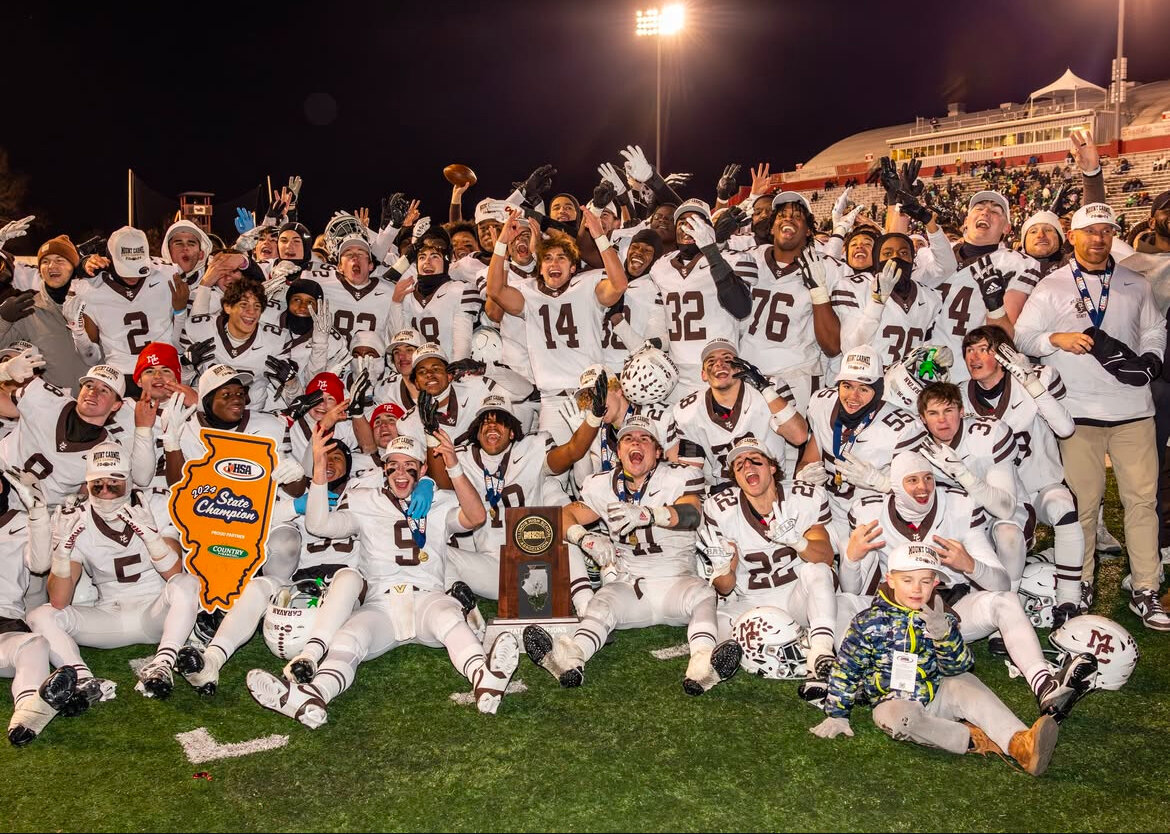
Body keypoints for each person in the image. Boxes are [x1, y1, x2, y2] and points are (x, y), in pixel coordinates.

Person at [246, 429, 520, 725]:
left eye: (409, 465)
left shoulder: (438, 500)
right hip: (381, 604)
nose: (400, 472)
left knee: (446, 616)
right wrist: (318, 474)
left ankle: (484, 675)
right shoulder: (364, 499)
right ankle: (313, 695)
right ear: (383, 467)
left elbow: (476, 517)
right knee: (350, 637)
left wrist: (453, 466)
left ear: (423, 469)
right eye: (394, 464)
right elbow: (319, 524)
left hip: (426, 596)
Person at [842, 452, 1098, 723]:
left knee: (1005, 602)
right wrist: (851, 558)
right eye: (912, 480)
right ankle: (845, 674)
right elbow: (853, 589)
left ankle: (1045, 685)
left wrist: (971, 565)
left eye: (928, 478)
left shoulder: (958, 506)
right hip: (890, 626)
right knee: (842, 603)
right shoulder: (869, 512)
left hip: (949, 616)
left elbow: (1001, 583)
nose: (923, 487)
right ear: (894, 484)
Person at [1015, 202, 1169, 630]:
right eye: (1090, 231)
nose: (1099, 238)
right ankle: (1078, 582)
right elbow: (1023, 336)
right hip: (1076, 412)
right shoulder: (1052, 284)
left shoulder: (1135, 282)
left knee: (1141, 503)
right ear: (1074, 235)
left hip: (1133, 410)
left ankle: (1145, 587)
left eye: (1106, 230)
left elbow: (1155, 328)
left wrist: (1153, 357)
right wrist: (1055, 338)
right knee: (1083, 506)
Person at [523, 416, 742, 695]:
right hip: (632, 585)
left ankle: (703, 665)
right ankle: (569, 659)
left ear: (658, 452)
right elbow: (565, 515)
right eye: (628, 438)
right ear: (618, 451)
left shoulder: (679, 476)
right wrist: (584, 537)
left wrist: (650, 514)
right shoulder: (601, 485)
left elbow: (692, 513)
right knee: (601, 602)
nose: (635, 443)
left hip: (677, 581)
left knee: (704, 595)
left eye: (644, 439)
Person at [811, 543, 1061, 777]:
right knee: (900, 721)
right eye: (907, 580)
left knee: (965, 682)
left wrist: (945, 636)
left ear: (935, 583)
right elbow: (846, 670)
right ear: (891, 580)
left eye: (925, 581)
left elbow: (960, 666)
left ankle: (1021, 743)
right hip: (894, 701)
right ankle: (974, 739)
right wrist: (837, 713)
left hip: (938, 690)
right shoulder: (867, 622)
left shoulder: (942, 617)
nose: (917, 589)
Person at [26, 442, 201, 700]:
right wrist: (62, 554)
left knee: (187, 583)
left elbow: (175, 572)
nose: (105, 491)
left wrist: (153, 539)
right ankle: (83, 679)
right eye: (97, 484)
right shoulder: (75, 518)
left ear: (129, 481)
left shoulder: (154, 503)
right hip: (110, 614)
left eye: (114, 482)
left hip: (157, 612)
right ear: (86, 484)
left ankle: (163, 663)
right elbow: (59, 601)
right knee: (41, 615)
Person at [959, 326, 1082, 617]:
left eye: (983, 349)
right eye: (969, 350)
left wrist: (1031, 384)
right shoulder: (960, 393)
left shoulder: (1038, 378)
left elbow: (1066, 429)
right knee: (1006, 538)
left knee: (1063, 507)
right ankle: (1004, 608)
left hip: (1039, 485)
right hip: (997, 496)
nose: (974, 357)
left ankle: (1069, 600)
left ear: (1003, 354)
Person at [438, 392, 603, 610]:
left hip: (539, 558)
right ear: (476, 433)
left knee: (562, 533)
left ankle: (587, 608)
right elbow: (440, 482)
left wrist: (594, 418)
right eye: (485, 423)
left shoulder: (533, 448)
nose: (492, 427)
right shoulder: (463, 458)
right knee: (438, 551)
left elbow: (573, 451)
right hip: (493, 567)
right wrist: (432, 435)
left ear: (513, 432)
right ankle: (467, 615)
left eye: (500, 422)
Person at [700, 437, 837, 680]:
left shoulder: (804, 498)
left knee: (818, 572)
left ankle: (821, 651)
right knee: (713, 612)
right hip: (752, 601)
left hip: (798, 598)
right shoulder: (721, 509)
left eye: (755, 461)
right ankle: (706, 669)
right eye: (739, 465)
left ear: (772, 466)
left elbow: (825, 557)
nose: (748, 468)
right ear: (735, 476)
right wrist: (721, 569)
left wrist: (798, 542)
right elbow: (725, 587)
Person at [485, 206, 628, 430]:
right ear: (540, 267)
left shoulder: (588, 286)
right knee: (552, 463)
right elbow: (495, 291)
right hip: (551, 399)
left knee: (593, 463)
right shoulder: (528, 292)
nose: (554, 263)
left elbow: (619, 284)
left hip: (589, 392)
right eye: (548, 259)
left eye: (561, 258)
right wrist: (501, 243)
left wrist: (600, 237)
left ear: (573, 268)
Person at [0, 472, 88, 746]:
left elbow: (39, 565)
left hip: (5, 626)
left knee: (35, 644)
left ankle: (28, 714)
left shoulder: (21, 522)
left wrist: (37, 513)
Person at [0, 234, 90, 390]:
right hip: (54, 407)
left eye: (60, 260)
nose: (51, 266)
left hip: (98, 404)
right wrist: (3, 319)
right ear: (40, 271)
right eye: (45, 261)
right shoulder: (28, 308)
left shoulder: (93, 302)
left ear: (74, 267)